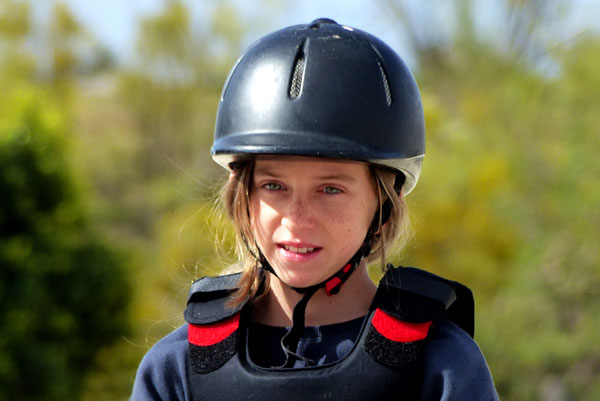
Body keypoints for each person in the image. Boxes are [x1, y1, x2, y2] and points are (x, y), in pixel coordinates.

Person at [131, 18, 499, 400]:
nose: (297, 217)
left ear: (385, 204)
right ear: (243, 197)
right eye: (274, 186)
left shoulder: (442, 364)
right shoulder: (177, 368)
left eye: (330, 189)